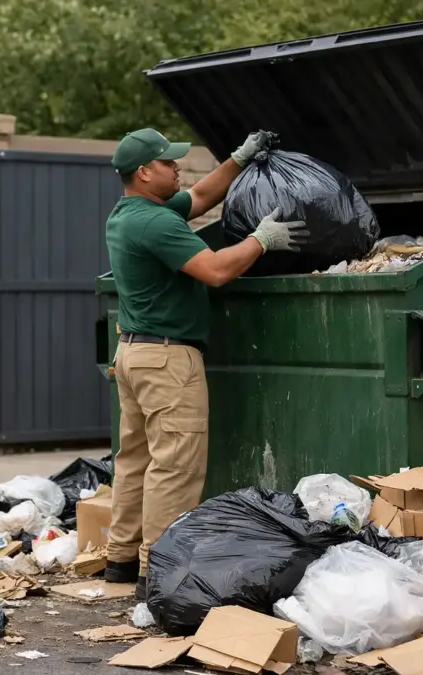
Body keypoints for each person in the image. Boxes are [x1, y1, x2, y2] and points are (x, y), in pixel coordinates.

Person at [102, 128, 307, 600]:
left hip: (134, 355)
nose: (177, 168)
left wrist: (240, 157)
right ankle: (158, 577)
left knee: (135, 462)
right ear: (144, 172)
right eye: (169, 162)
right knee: (174, 468)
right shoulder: (155, 224)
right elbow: (215, 270)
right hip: (168, 360)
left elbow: (200, 195)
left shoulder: (131, 213)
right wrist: (261, 240)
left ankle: (120, 560)